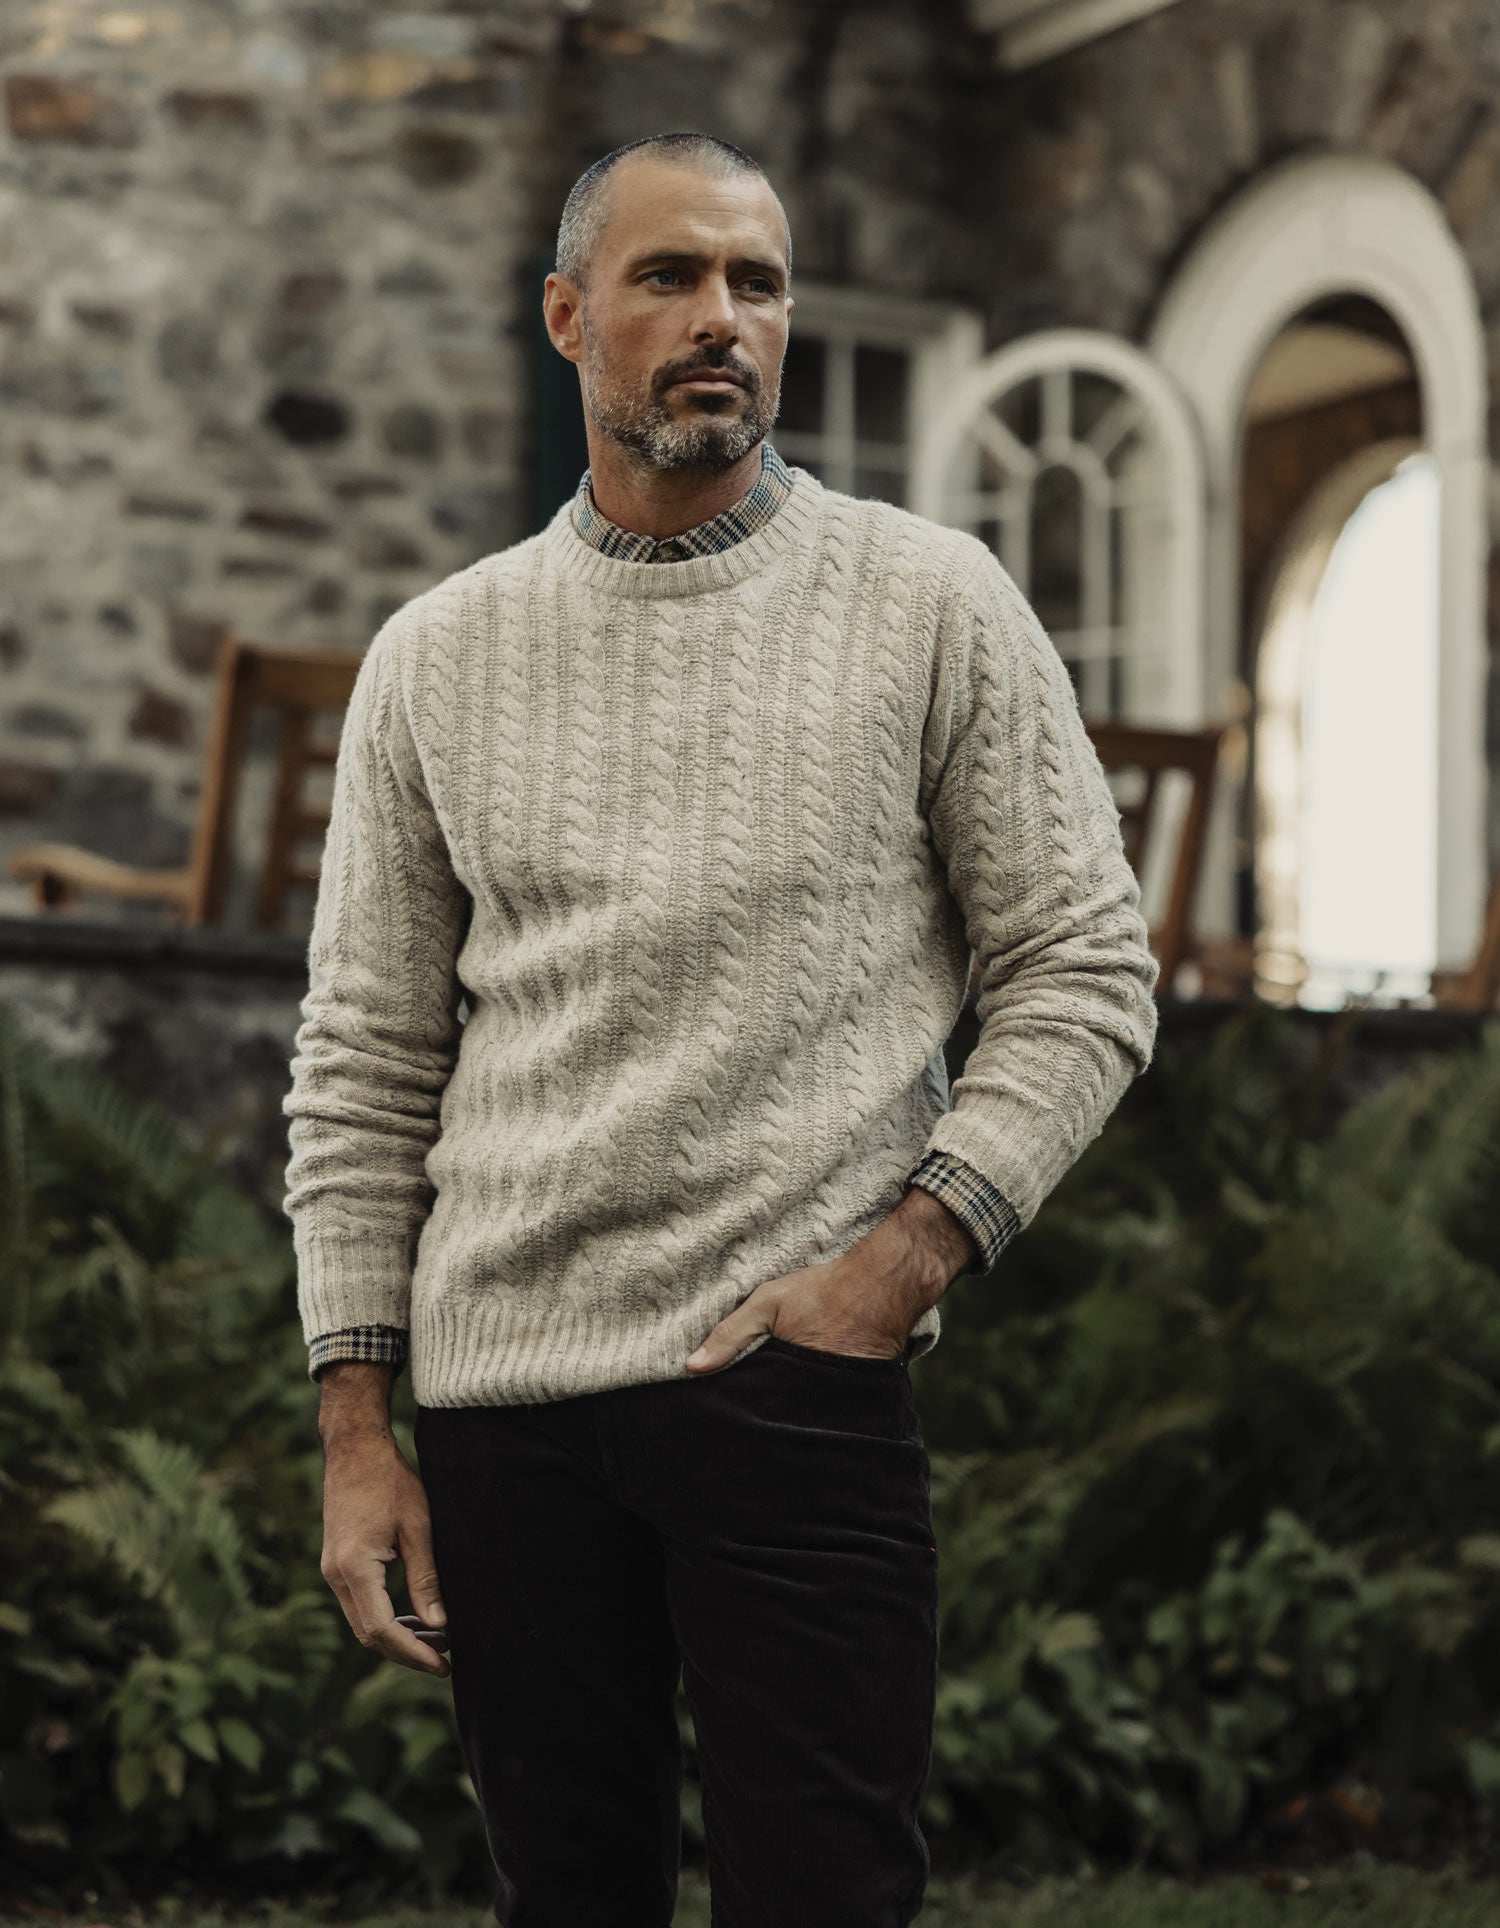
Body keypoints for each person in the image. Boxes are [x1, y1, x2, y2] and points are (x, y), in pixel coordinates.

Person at [283, 130, 1160, 1928]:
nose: (722, 320)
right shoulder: (437, 657)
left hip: (795, 1375)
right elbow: (364, 1065)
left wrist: (900, 1265)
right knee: (568, 1900)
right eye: (670, 276)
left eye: (757, 283)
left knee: (827, 1893)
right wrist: (358, 1432)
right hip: (506, 1398)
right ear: (566, 316)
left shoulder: (930, 602)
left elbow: (1084, 970)